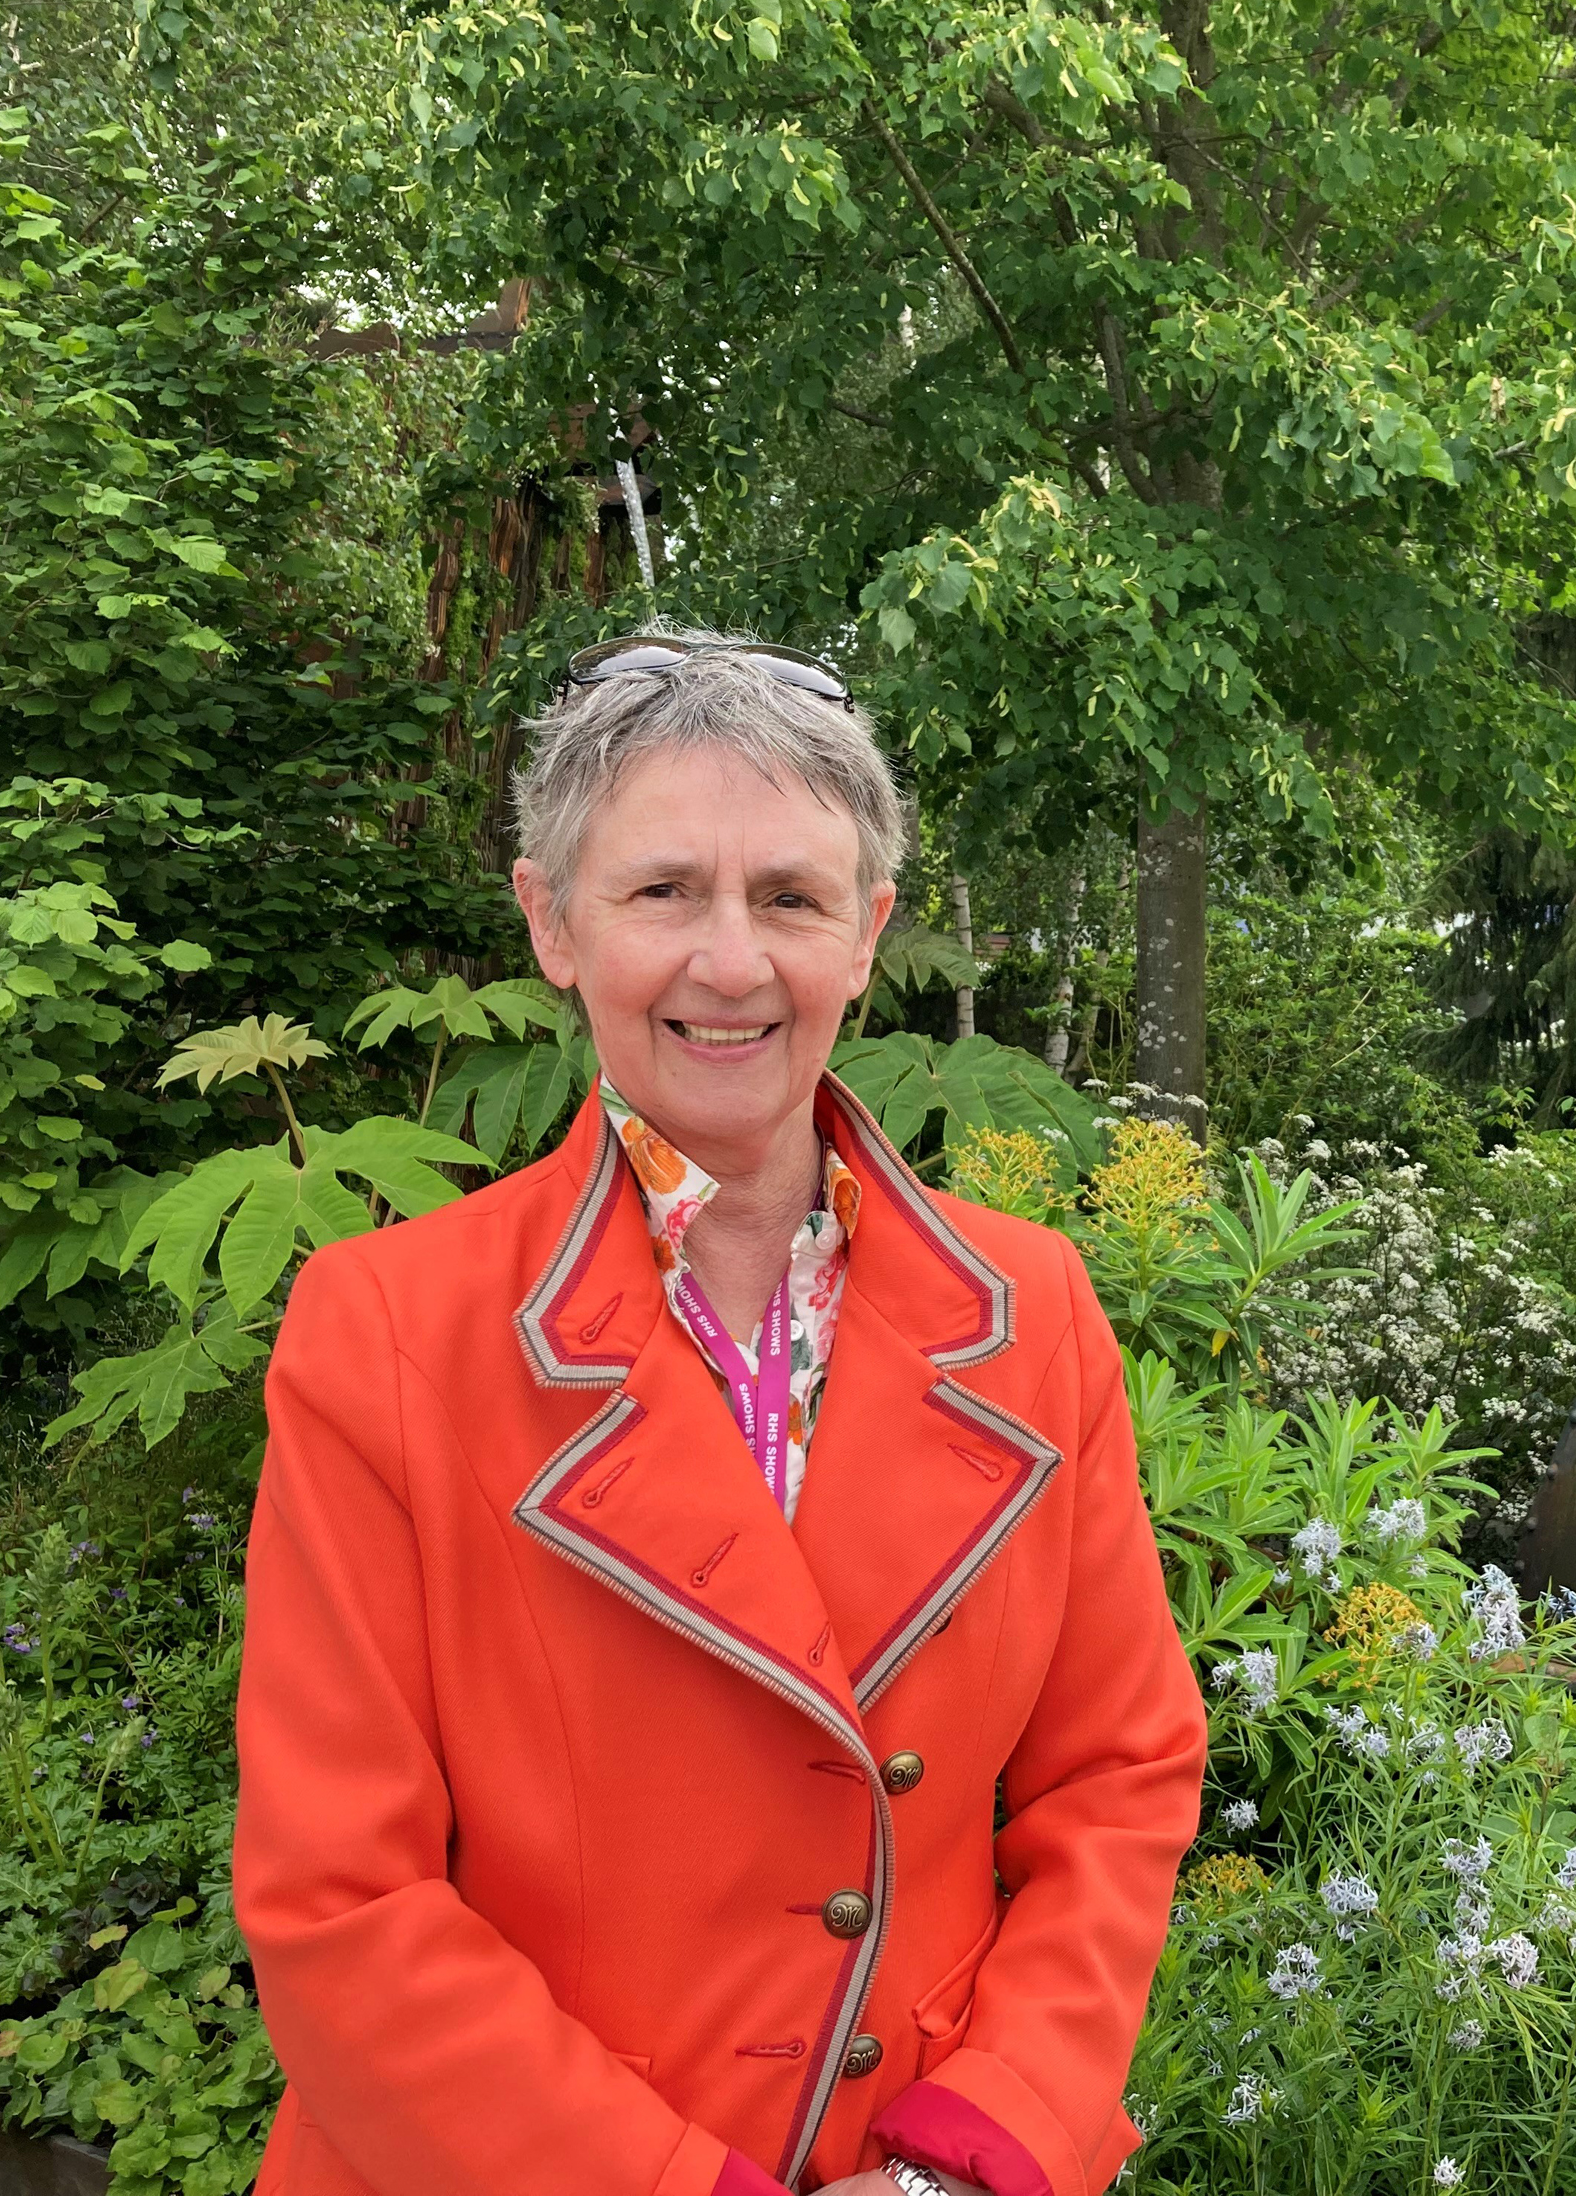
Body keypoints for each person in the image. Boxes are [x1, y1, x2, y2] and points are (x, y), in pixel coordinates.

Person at [232, 630, 1205, 2196]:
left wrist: (968, 2154)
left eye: (792, 898)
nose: (733, 961)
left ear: (870, 932)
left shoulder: (1039, 1319)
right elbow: (339, 1901)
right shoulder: (387, 1338)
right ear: (553, 924)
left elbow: (1123, 1770)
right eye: (664, 890)